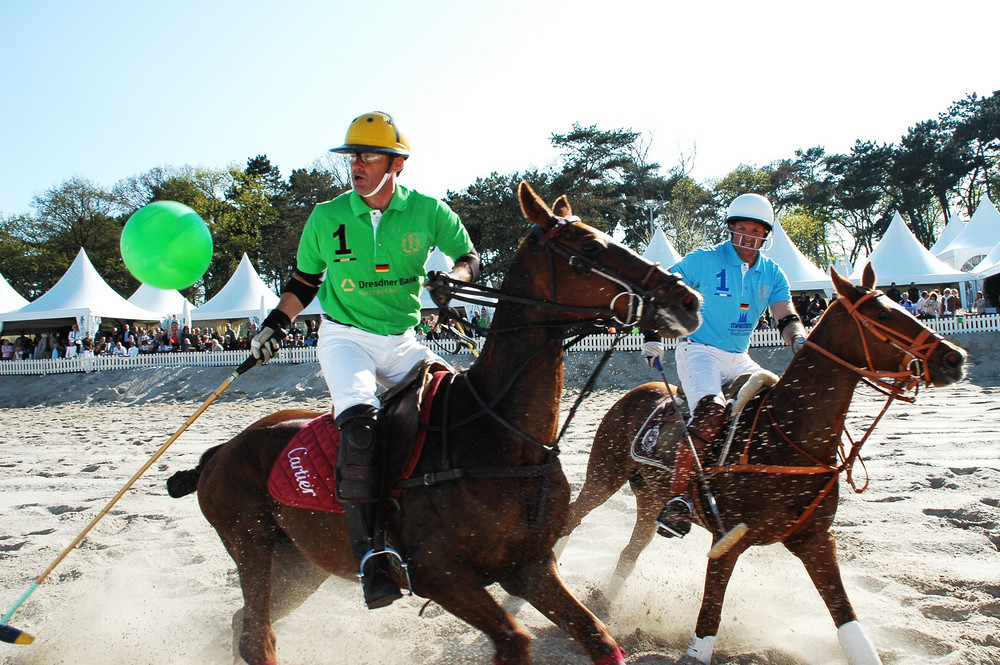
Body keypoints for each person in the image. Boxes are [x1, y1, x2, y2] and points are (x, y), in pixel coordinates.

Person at [249, 111, 480, 610]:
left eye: (368, 155)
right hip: (345, 337)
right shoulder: (326, 216)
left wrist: (456, 278)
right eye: (352, 155)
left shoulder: (428, 211)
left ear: (396, 164)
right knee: (359, 425)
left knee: (464, 411)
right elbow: (304, 283)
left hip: (402, 340)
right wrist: (276, 323)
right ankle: (371, 558)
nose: (356, 164)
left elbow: (469, 256)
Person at [641, 193, 805, 539]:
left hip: (739, 356)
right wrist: (652, 333)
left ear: (766, 235)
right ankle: (678, 500)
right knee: (712, 411)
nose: (747, 236)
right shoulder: (704, 260)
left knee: (774, 408)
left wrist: (799, 341)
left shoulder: (773, 273)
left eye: (755, 230)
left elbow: (785, 315)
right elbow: (662, 289)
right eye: (740, 228)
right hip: (698, 351)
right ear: (730, 229)